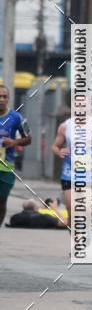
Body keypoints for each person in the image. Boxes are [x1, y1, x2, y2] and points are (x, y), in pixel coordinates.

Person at [51, 109, 92, 227]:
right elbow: (55, 146)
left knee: (89, 209)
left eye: (84, 105)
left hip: (91, 173)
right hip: (70, 173)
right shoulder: (65, 126)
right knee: (71, 210)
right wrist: (59, 152)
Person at [0, 85, 32, 229]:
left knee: (1, 202)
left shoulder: (16, 117)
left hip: (6, 166)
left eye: (4, 97)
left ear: (8, 99)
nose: (1, 99)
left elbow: (29, 138)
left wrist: (14, 142)